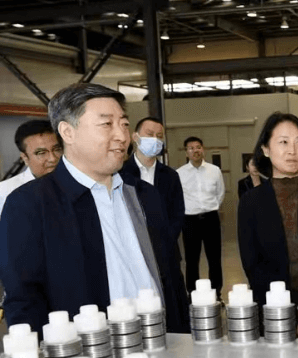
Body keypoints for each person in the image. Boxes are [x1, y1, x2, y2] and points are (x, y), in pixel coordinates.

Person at [0, 83, 186, 335]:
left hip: (162, 343)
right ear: (68, 132)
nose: (122, 136)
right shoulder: (30, 204)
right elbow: (25, 301)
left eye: (124, 124)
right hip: (87, 354)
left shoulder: (145, 195)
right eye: (107, 124)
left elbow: (172, 279)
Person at [237, 113, 298, 308]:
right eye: (283, 142)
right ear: (266, 149)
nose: (292, 150)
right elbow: (251, 262)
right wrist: (279, 302)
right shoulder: (251, 201)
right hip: (272, 305)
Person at [119, 116, 189, 333]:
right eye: (149, 134)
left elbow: (178, 213)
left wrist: (164, 239)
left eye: (159, 136)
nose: (155, 139)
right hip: (133, 252)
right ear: (135, 137)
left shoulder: (170, 176)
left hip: (166, 251)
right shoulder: (121, 173)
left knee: (174, 304)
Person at [177, 136, 225, 296]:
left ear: (203, 149)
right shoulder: (180, 173)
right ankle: (192, 293)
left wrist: (211, 207)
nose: (195, 151)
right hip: (190, 220)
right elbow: (178, 198)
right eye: (191, 148)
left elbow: (220, 193)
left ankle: (216, 293)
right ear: (186, 152)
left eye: (198, 147)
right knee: (191, 260)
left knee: (214, 258)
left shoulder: (214, 170)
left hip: (211, 218)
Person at [0, 120, 62, 217]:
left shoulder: (79, 184)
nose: (52, 158)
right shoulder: (5, 192)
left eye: (57, 149)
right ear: (25, 158)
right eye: (41, 153)